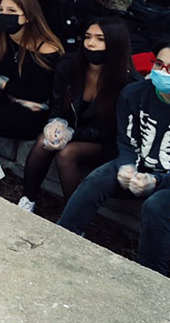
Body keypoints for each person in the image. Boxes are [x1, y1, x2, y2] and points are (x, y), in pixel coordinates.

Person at [57, 41, 170, 276]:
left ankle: (153, 278)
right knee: (95, 180)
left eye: (169, 68)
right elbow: (126, 140)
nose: (162, 72)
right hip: (140, 163)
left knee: (155, 207)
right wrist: (126, 165)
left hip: (166, 180)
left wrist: (158, 181)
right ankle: (63, 238)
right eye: (159, 64)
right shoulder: (134, 94)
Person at [20, 18, 139, 211]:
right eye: (88, 37)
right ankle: (27, 200)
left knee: (67, 153)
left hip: (104, 142)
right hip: (71, 129)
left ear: (116, 43)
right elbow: (56, 105)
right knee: (44, 141)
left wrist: (72, 134)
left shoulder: (128, 84)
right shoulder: (68, 67)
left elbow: (111, 131)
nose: (91, 43)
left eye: (100, 39)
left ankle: (73, 219)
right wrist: (55, 123)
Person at [0, 0, 64, 188]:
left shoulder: (47, 50)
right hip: (9, 105)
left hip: (31, 117)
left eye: (12, 10)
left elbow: (38, 95)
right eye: (2, 9)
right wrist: (15, 95)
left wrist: (1, 84)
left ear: (28, 16)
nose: (4, 15)